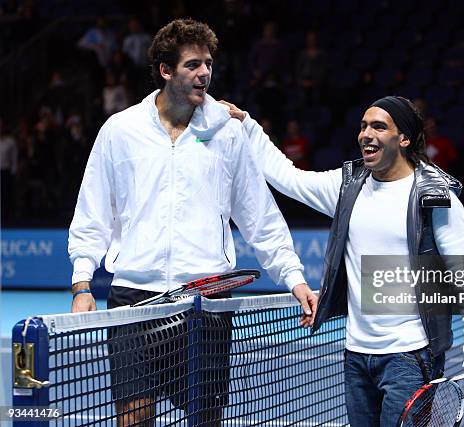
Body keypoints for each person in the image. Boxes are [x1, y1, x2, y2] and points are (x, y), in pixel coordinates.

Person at [68, 18, 317, 426]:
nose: (204, 73)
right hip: (136, 298)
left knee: (205, 419)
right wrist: (82, 283)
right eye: (192, 64)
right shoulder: (120, 131)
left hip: (205, 302)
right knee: (134, 416)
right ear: (166, 71)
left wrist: (295, 278)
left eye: (208, 63)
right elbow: (92, 212)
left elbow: (259, 216)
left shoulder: (228, 134)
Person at [221, 96, 464, 426]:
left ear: (403, 138)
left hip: (411, 355)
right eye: (363, 125)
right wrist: (247, 125)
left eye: (379, 126)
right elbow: (287, 178)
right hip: (356, 355)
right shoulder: (348, 185)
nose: (366, 133)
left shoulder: (434, 195)